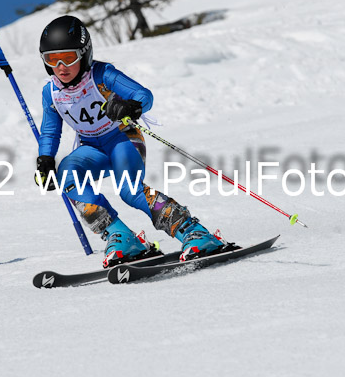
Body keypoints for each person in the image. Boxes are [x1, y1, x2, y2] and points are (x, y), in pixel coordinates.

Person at [36, 15, 235, 267]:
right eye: (52, 59)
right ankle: (120, 236)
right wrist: (45, 159)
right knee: (67, 173)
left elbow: (144, 95)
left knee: (129, 191)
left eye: (69, 57)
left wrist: (129, 106)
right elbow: (51, 131)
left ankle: (194, 232)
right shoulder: (51, 92)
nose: (61, 66)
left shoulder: (102, 74)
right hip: (91, 149)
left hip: (122, 139)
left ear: (84, 54)